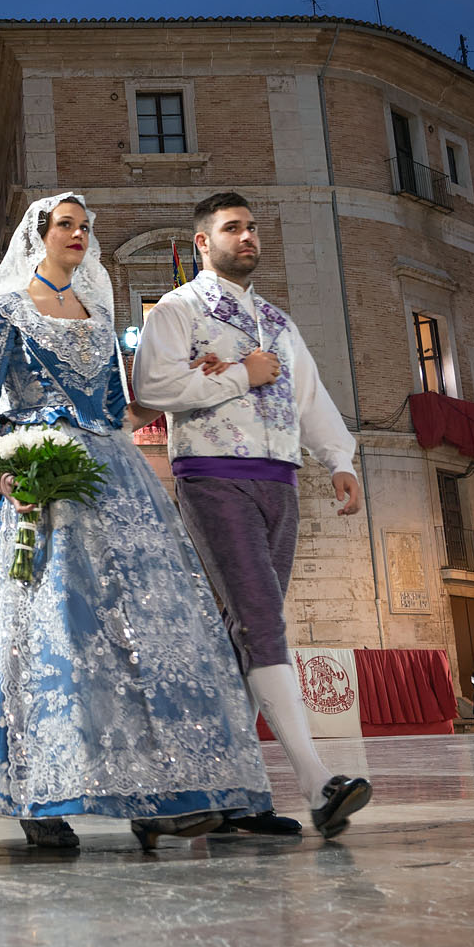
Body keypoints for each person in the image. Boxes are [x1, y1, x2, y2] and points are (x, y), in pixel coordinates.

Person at [0, 193, 274, 852]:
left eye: (84, 225)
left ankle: (160, 792)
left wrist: (206, 380)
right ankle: (37, 793)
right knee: (45, 639)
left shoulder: (100, 312)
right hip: (29, 471)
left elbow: (116, 407)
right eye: (65, 223)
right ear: (39, 235)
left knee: (142, 633)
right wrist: (5, 474)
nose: (78, 232)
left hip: (107, 475)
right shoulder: (4, 307)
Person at [132, 190, 372, 839]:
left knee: (236, 635)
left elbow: (312, 396)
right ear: (203, 242)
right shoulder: (177, 311)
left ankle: (227, 793)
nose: (248, 236)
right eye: (232, 227)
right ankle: (319, 782)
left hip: (280, 482)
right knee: (262, 621)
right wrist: (241, 372)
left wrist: (340, 459)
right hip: (213, 476)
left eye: (253, 226)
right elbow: (150, 389)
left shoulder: (277, 321)